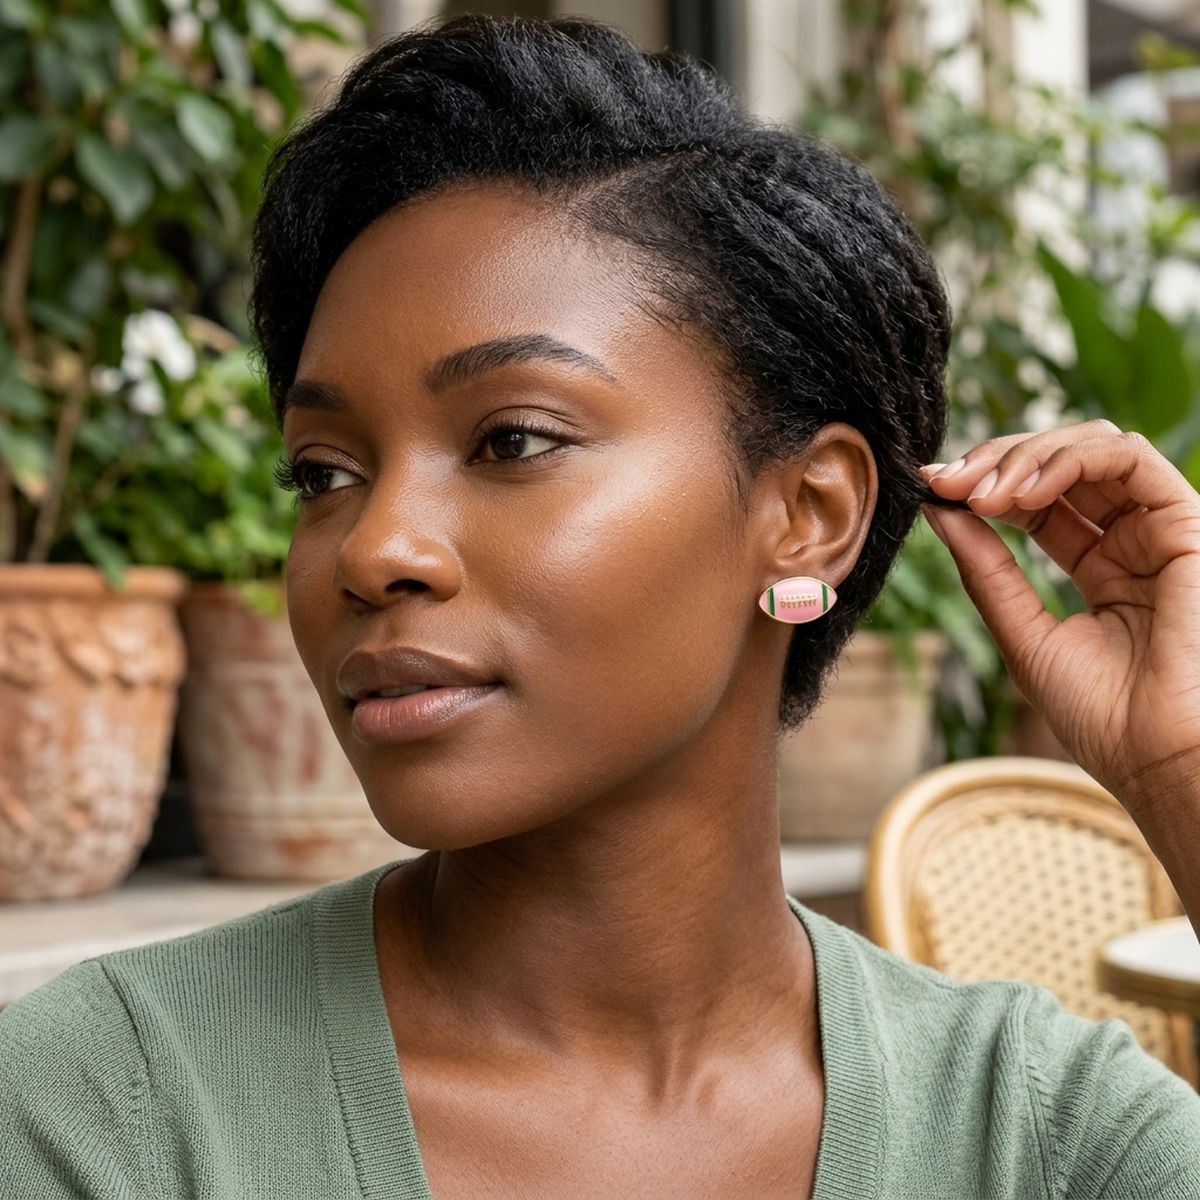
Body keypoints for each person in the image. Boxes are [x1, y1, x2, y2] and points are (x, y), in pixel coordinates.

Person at [3, 12, 1200, 1199]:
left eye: (511, 439)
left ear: (809, 514)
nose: (374, 550)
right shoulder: (104, 1118)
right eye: (324, 472)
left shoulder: (1040, 1135)